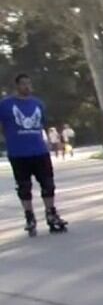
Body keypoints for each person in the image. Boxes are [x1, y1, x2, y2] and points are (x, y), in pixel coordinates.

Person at [1, 74, 67, 234]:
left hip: (39, 151)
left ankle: (51, 214)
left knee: (48, 184)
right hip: (18, 153)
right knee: (24, 187)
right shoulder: (6, 105)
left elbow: (41, 124)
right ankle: (29, 217)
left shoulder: (38, 104)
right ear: (17, 86)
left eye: (29, 83)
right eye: (23, 84)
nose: (27, 87)